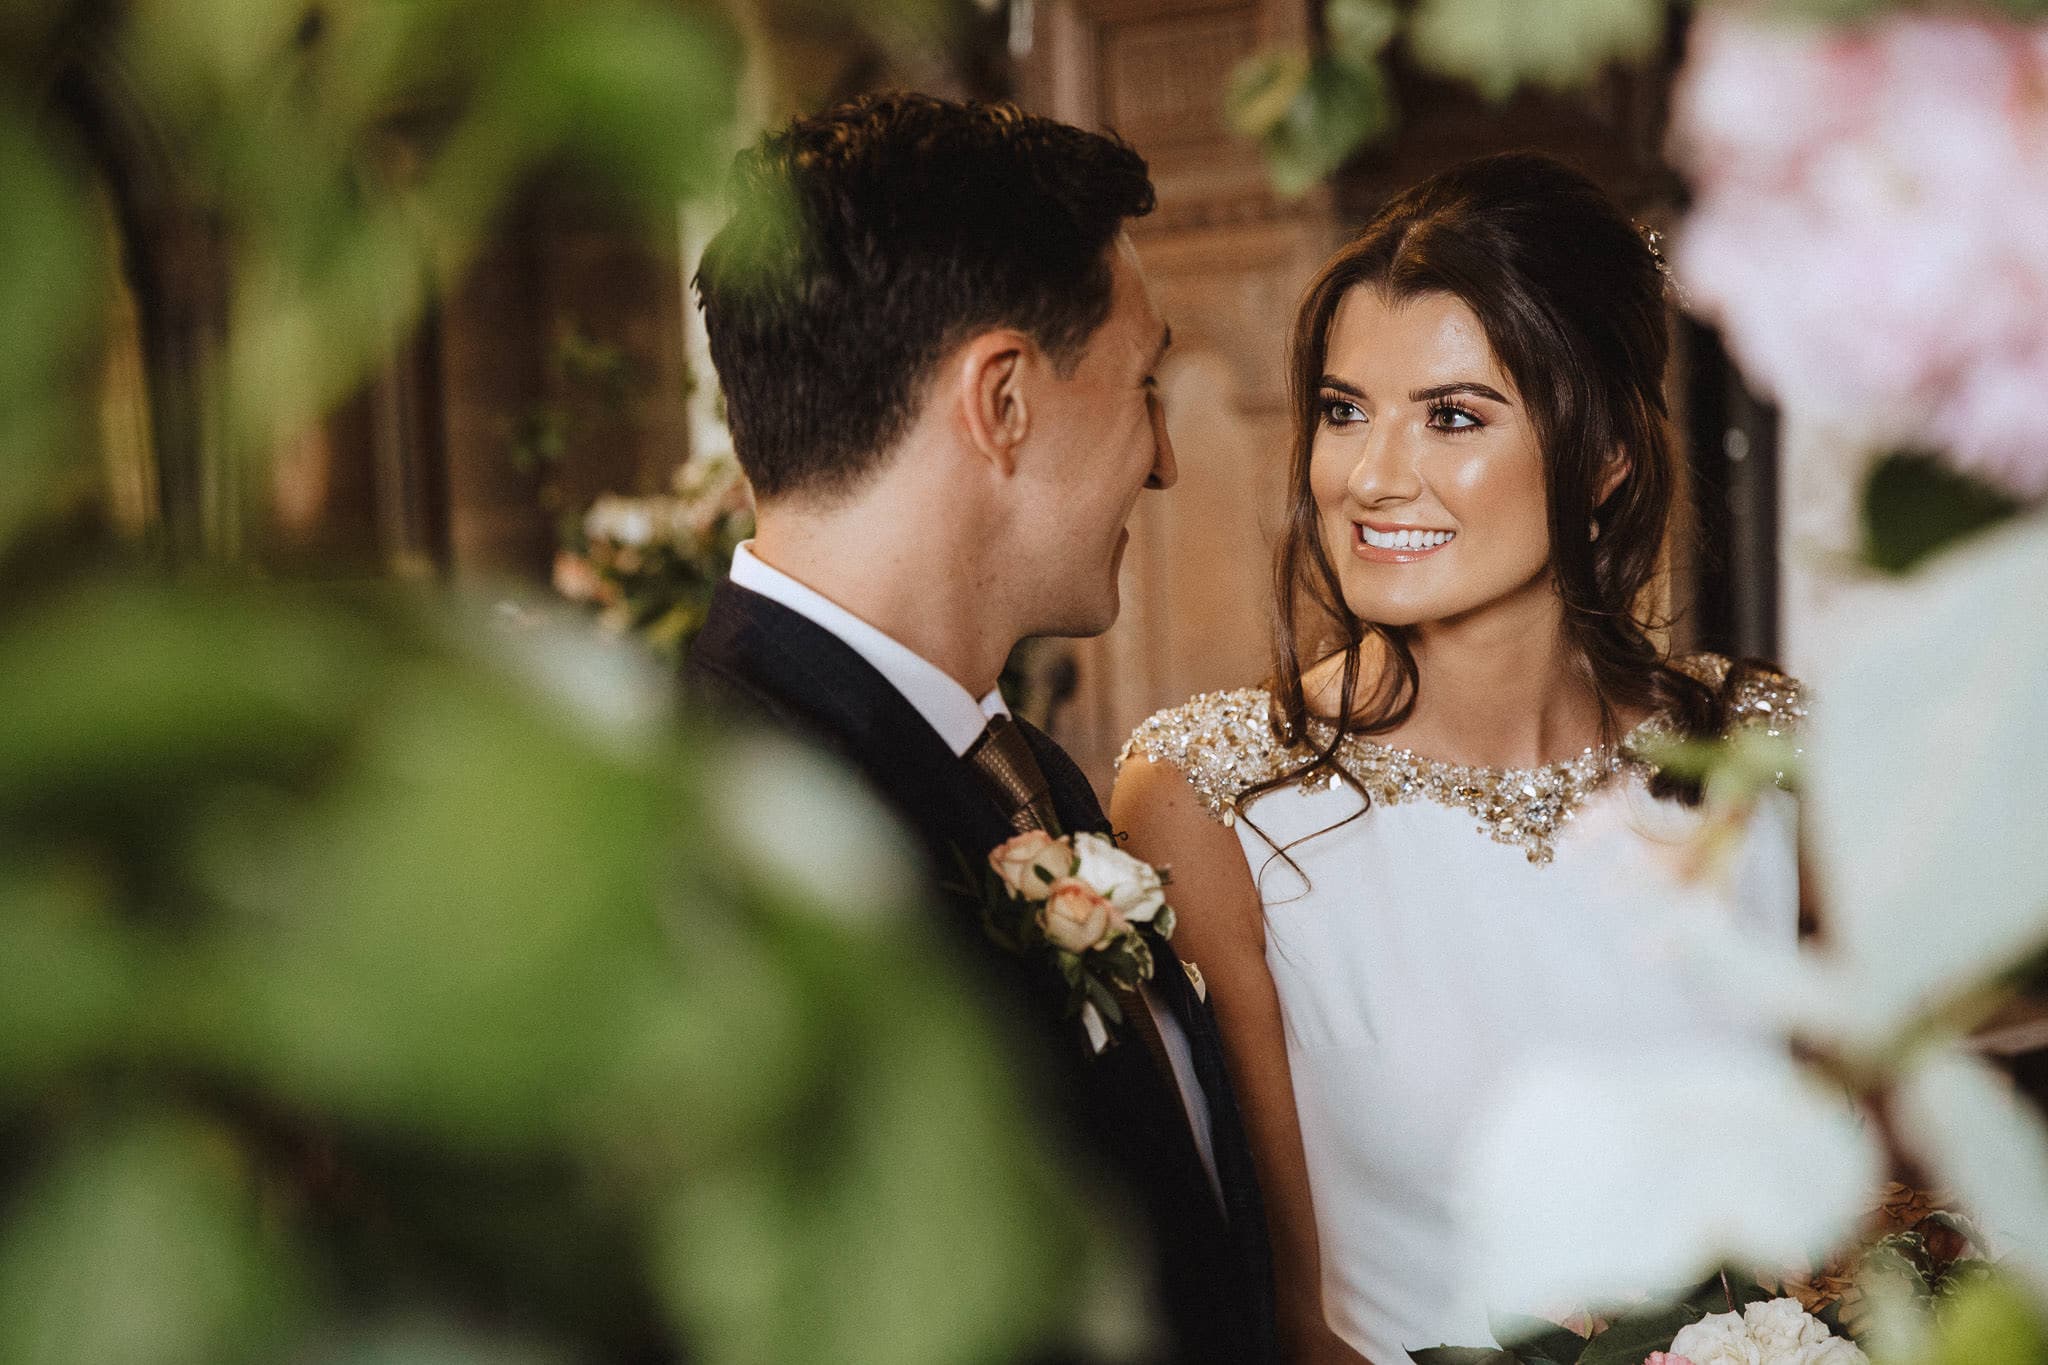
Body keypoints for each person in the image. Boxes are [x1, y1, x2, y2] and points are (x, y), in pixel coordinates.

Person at [1112, 152, 1804, 1364]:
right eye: (1342, 411)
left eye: (1451, 415)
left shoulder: (1770, 756)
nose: (1370, 478)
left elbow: (1876, 1216)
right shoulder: (1206, 797)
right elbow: (1281, 1316)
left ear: (1603, 458)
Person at [686, 93, 1277, 1363]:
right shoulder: (736, 830)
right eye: (1143, 384)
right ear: (1000, 399)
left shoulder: (1026, 774)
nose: (1166, 458)